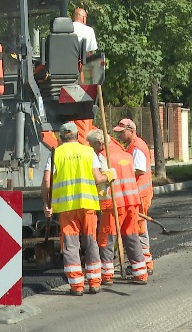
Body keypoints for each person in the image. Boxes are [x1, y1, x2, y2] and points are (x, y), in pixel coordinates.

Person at [41, 122, 114, 296]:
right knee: (91, 243)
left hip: (66, 208)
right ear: (77, 136)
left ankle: (76, 286)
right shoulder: (88, 152)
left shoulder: (55, 154)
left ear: (60, 137)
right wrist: (109, 174)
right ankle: (95, 283)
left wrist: (46, 203)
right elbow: (97, 178)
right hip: (88, 205)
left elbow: (46, 182)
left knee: (70, 246)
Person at [86, 129, 148, 285]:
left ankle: (106, 275)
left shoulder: (103, 156)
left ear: (99, 143)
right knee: (132, 236)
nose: (92, 148)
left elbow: (100, 179)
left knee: (107, 238)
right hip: (132, 202)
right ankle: (140, 273)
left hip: (114, 204)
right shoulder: (126, 154)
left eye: (92, 145)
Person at [113, 118, 154, 275]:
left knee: (139, 229)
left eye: (122, 133)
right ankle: (142, 262)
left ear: (131, 130)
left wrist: (121, 173)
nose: (119, 136)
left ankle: (145, 264)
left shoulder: (137, 147)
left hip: (140, 195)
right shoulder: (131, 146)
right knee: (136, 229)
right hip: (137, 194)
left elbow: (139, 170)